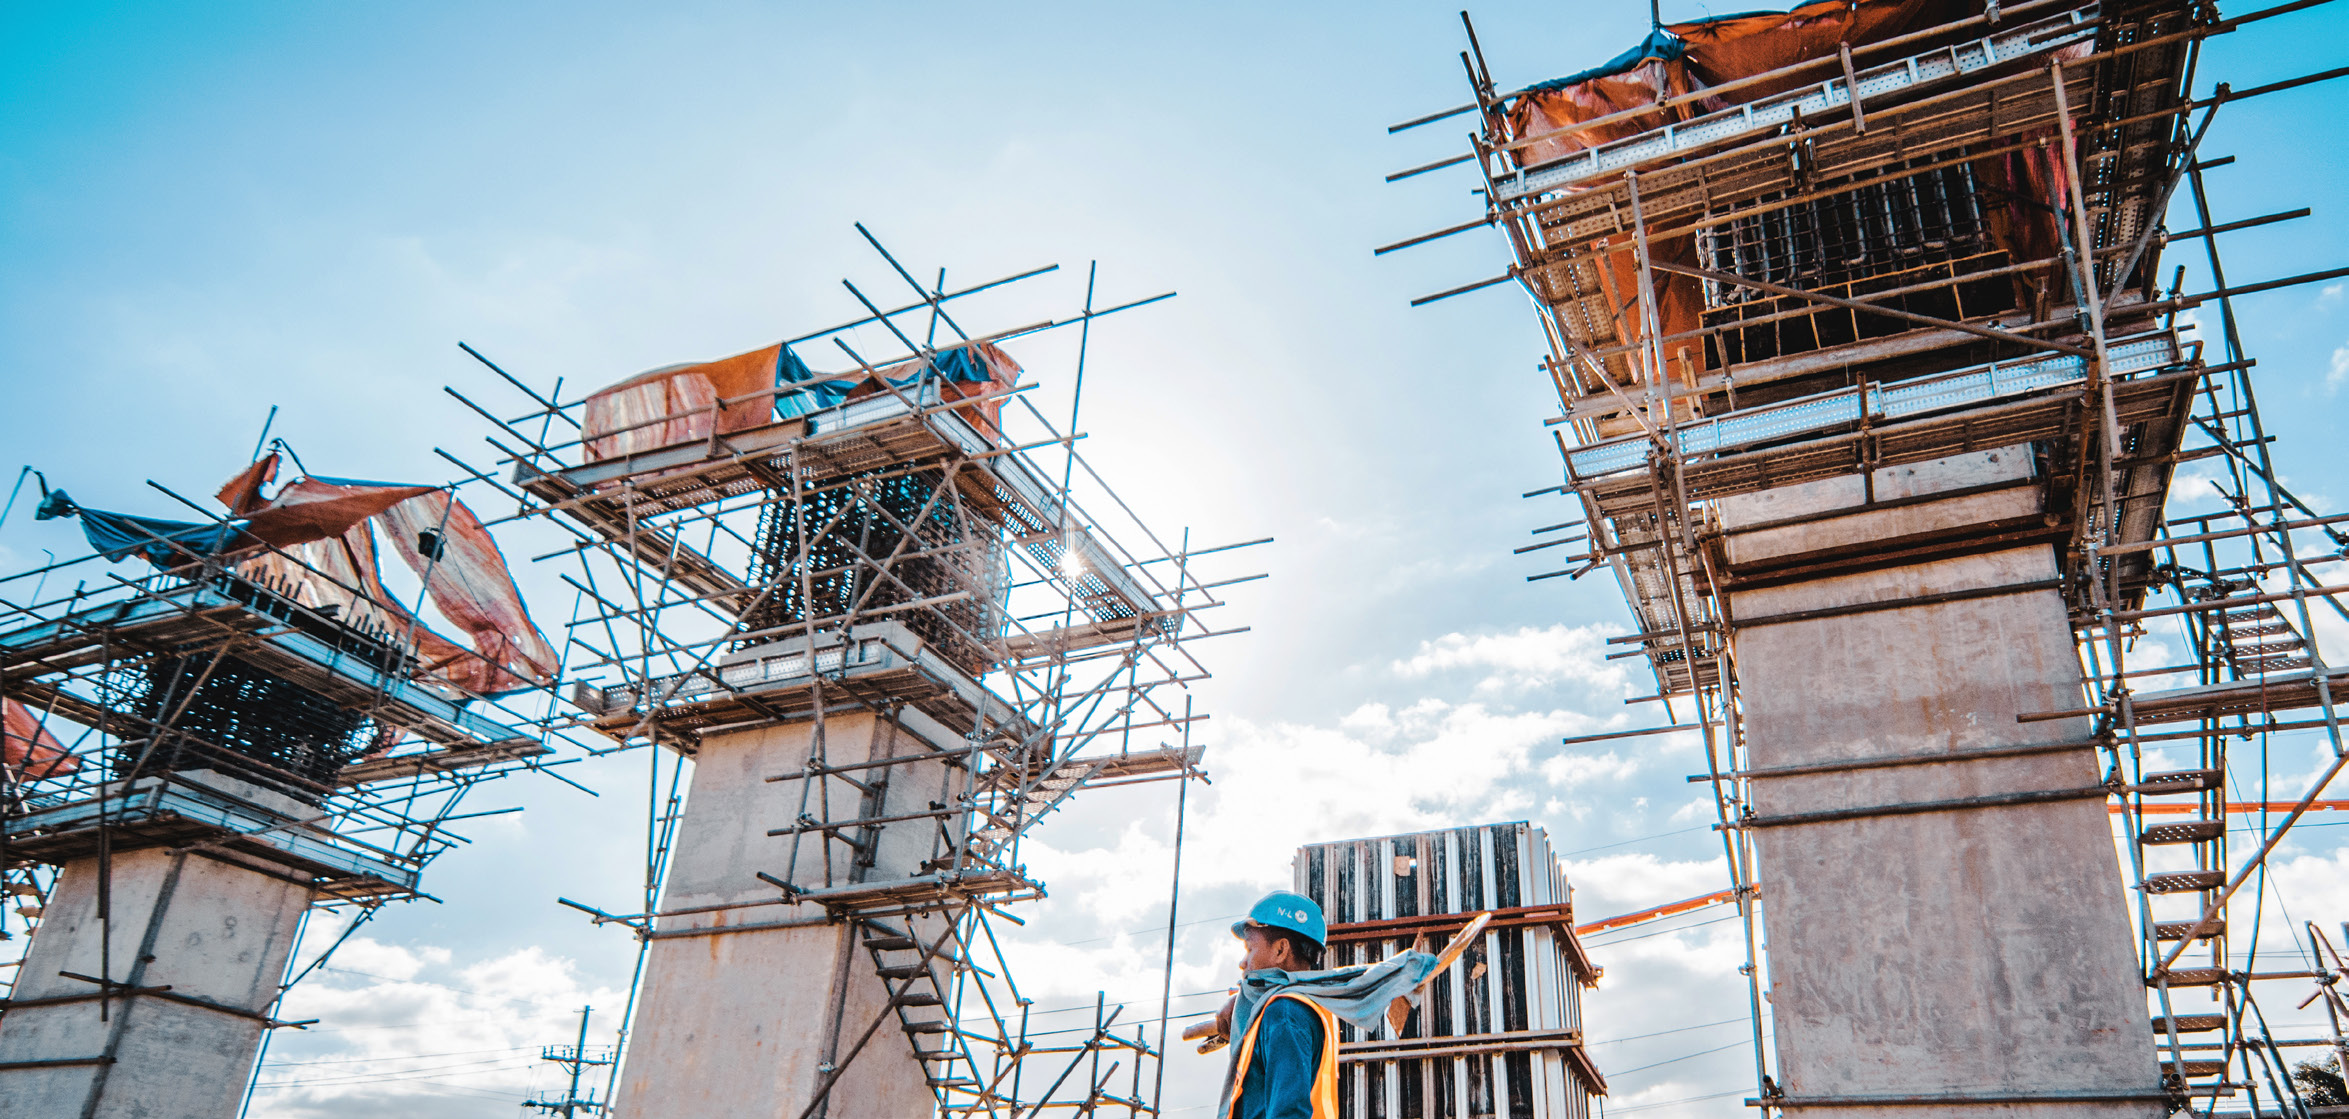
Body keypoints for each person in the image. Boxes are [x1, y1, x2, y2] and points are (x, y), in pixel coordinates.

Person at [1219, 891, 1339, 1119]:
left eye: (1250, 949)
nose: (1243, 962)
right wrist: (1238, 1002)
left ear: (1280, 950)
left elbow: (1289, 1113)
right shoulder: (1310, 1008)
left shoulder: (1284, 1013)